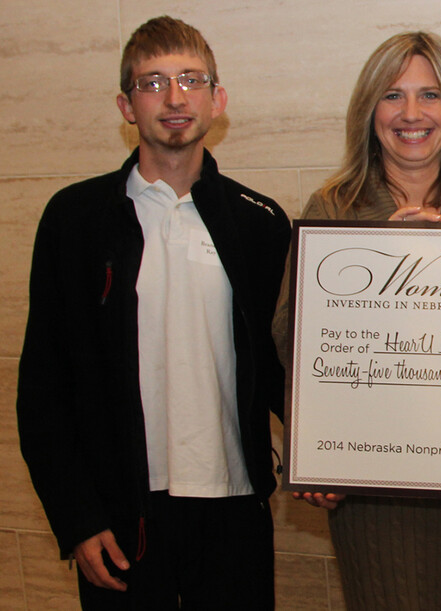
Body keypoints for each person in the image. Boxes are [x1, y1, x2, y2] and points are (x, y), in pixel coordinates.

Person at [17, 15, 290, 609]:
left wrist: (342, 452)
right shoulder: (75, 220)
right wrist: (77, 518)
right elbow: (43, 389)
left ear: (217, 99)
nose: (173, 97)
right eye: (152, 82)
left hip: (235, 508)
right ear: (126, 105)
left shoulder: (260, 223)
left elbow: (288, 374)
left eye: (191, 79)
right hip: (121, 518)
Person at [271, 31, 441, 610]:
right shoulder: (332, 211)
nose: (412, 114)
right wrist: (389, 265)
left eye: (430, 95)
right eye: (393, 95)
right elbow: (293, 338)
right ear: (369, 112)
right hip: (373, 492)